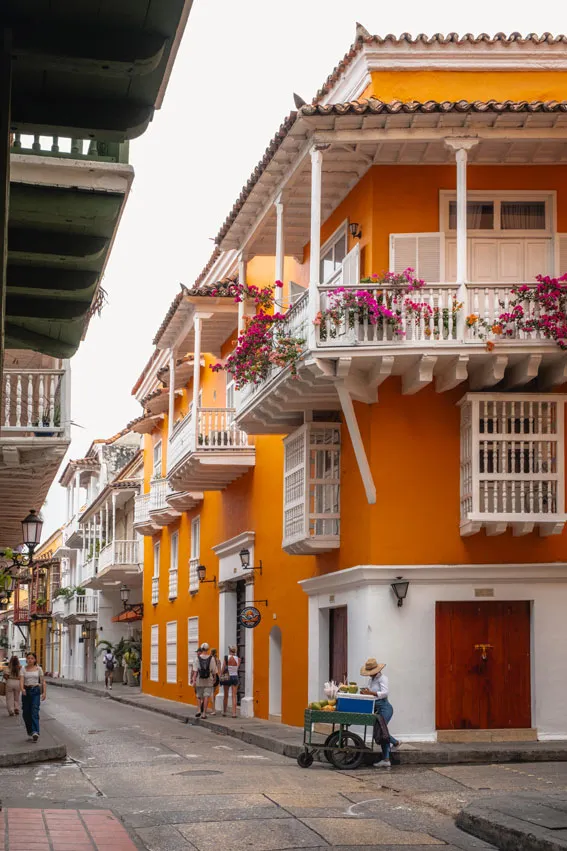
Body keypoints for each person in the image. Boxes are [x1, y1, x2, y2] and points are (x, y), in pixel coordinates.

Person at [360, 657, 399, 768]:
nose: (369, 674)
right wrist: (365, 692)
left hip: (385, 707)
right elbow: (370, 692)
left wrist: (371, 692)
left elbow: (385, 693)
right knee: (381, 732)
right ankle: (394, 744)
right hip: (376, 708)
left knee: (382, 732)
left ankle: (387, 758)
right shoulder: (371, 680)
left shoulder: (383, 679)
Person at [20, 652, 46, 742]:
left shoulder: (39, 669)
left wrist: (44, 693)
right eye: (28, 658)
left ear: (35, 660)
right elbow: (21, 680)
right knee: (26, 713)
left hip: (35, 690)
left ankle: (35, 732)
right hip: (26, 691)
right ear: (26, 659)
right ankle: (30, 731)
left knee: (34, 711)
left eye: (32, 658)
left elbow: (43, 681)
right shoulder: (23, 669)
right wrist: (22, 689)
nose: (30, 660)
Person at [191, 642, 217, 719]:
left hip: (199, 679)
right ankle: (204, 713)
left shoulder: (197, 658)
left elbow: (195, 671)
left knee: (199, 696)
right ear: (208, 649)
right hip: (208, 680)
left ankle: (199, 710)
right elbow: (214, 670)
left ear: (201, 649)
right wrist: (214, 678)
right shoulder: (211, 658)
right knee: (206, 697)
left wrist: (194, 680)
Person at [221, 645, 240, 718]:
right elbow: (237, 668)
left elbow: (223, 668)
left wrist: (220, 675)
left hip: (227, 676)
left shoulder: (226, 657)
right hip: (235, 676)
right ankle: (234, 713)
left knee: (226, 695)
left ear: (229, 650)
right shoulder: (238, 659)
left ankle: (224, 711)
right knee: (234, 696)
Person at [210, 649, 220, 716]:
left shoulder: (210, 660)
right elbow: (219, 670)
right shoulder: (218, 660)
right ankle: (214, 709)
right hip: (217, 677)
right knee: (213, 693)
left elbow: (211, 670)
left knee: (211, 694)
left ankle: (213, 710)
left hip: (212, 677)